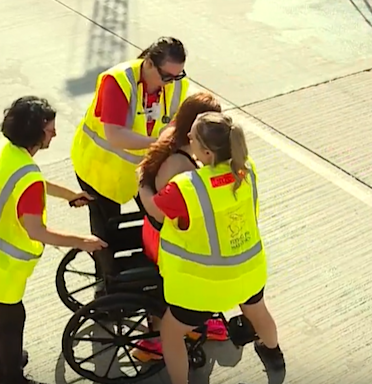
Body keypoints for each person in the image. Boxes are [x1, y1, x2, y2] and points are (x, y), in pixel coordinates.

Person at [0, 96, 107, 384]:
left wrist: (70, 195)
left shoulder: (1, 150)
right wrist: (83, 241)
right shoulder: (26, 176)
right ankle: (11, 376)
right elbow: (37, 231)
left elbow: (32, 182)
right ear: (35, 133)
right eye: (50, 129)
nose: (55, 133)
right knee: (11, 322)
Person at [140, 112, 286, 384]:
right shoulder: (246, 169)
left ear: (205, 151)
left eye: (191, 137)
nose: (188, 140)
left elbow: (155, 211)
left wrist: (142, 185)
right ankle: (274, 357)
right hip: (248, 274)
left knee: (171, 332)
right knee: (259, 313)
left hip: (202, 289)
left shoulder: (186, 188)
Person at [70, 36, 189, 275]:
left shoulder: (175, 84)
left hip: (141, 167)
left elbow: (175, 120)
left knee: (156, 218)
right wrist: (157, 144)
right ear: (149, 64)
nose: (171, 83)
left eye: (178, 76)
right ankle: (106, 283)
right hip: (100, 168)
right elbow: (114, 135)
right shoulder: (118, 81)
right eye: (166, 76)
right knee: (105, 233)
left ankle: (150, 273)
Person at [131, 91, 225, 362]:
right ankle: (188, 325)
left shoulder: (168, 137)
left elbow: (142, 179)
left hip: (150, 231)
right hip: (164, 240)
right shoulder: (183, 166)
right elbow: (169, 212)